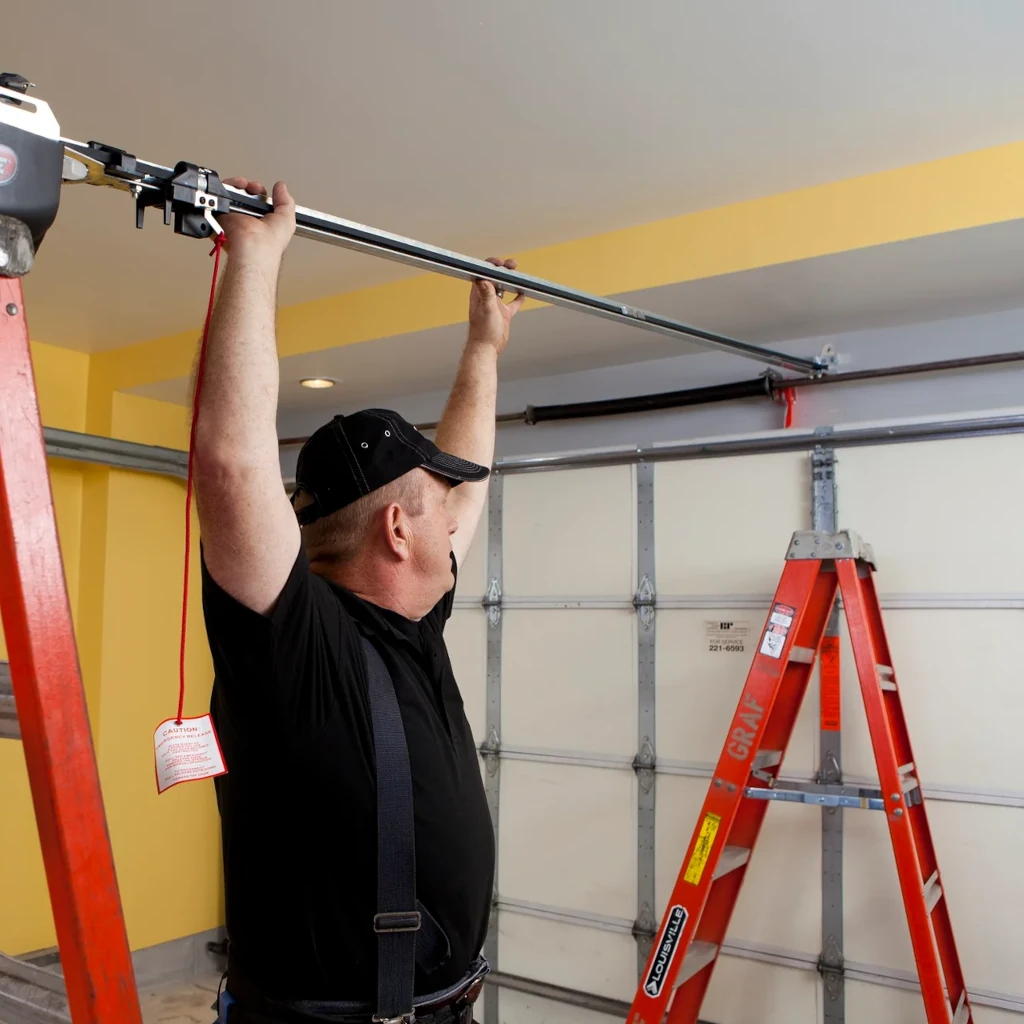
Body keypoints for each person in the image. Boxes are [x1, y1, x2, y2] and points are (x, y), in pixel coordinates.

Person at [194, 176, 523, 1024]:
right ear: (397, 531)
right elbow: (233, 468)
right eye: (436, 501)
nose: (460, 518)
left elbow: (468, 486)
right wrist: (253, 257)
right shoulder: (298, 649)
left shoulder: (411, 622)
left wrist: (483, 349)